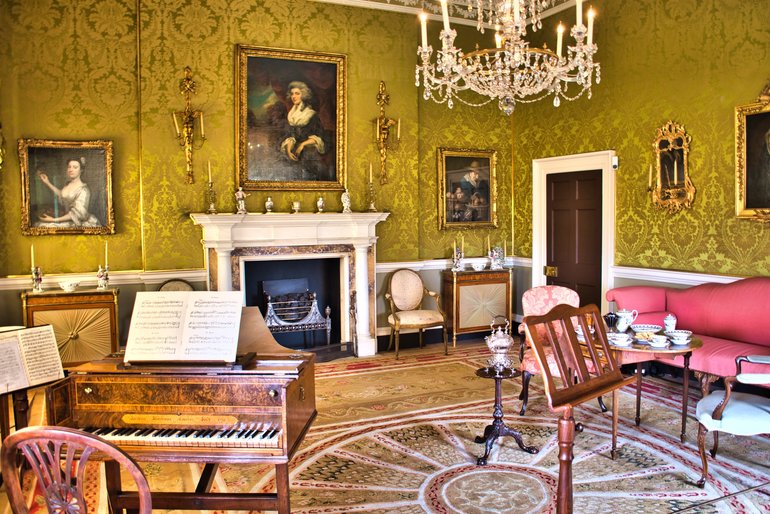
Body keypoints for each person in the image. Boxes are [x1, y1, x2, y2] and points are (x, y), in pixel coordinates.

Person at [279, 81, 331, 180]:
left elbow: (320, 136)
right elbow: (290, 134)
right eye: (292, 93)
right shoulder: (291, 115)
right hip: (295, 155)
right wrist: (289, 149)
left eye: (297, 93)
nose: (293, 96)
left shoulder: (311, 115)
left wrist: (302, 144)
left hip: (310, 155)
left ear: (304, 95)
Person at [35, 157, 100, 227]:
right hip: (64, 217)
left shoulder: (83, 190)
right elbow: (61, 195)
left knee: (45, 226)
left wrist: (54, 220)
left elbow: (77, 214)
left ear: (81, 170)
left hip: (76, 222)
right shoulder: (68, 184)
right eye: (69, 167)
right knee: (39, 225)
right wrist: (47, 182)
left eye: (75, 167)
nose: (71, 170)